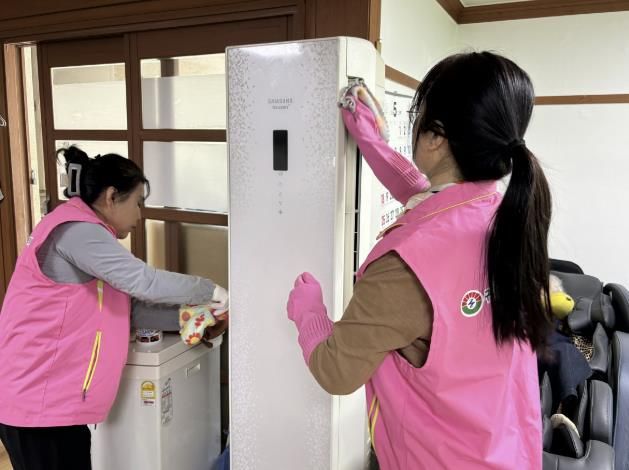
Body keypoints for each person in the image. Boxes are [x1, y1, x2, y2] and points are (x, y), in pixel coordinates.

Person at [287, 51, 552, 469]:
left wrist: (308, 312)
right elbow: (428, 197)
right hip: (508, 450)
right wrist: (372, 142)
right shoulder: (508, 217)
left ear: (435, 137)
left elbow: (336, 370)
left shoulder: (404, 266)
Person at [0, 146, 228, 470]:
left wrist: (193, 317)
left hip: (57, 402)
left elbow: (130, 310)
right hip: (37, 399)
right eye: (137, 203)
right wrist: (211, 289)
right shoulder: (76, 231)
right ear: (111, 196)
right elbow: (144, 281)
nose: (139, 216)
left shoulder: (91, 238)